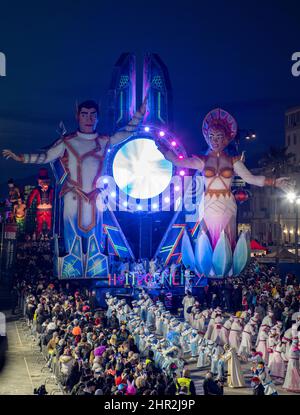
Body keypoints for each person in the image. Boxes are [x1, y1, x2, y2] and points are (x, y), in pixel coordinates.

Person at [3, 98, 147, 272]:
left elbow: (125, 133)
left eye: (93, 115)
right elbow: (45, 157)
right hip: (73, 194)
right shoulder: (67, 141)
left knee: (96, 233)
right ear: (77, 116)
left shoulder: (103, 140)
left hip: (96, 196)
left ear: (98, 118)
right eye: (84, 114)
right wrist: (21, 158)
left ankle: (96, 263)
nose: (89, 119)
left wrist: (139, 114)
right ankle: (73, 263)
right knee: (72, 230)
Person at [156, 108, 290, 276]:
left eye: (219, 137)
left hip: (227, 202)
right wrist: (162, 149)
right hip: (208, 203)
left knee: (226, 237)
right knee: (206, 235)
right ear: (207, 138)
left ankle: (225, 267)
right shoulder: (202, 160)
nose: (215, 141)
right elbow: (178, 162)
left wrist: (275, 182)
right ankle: (207, 266)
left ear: (227, 139)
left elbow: (251, 179)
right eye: (211, 137)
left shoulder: (234, 161)